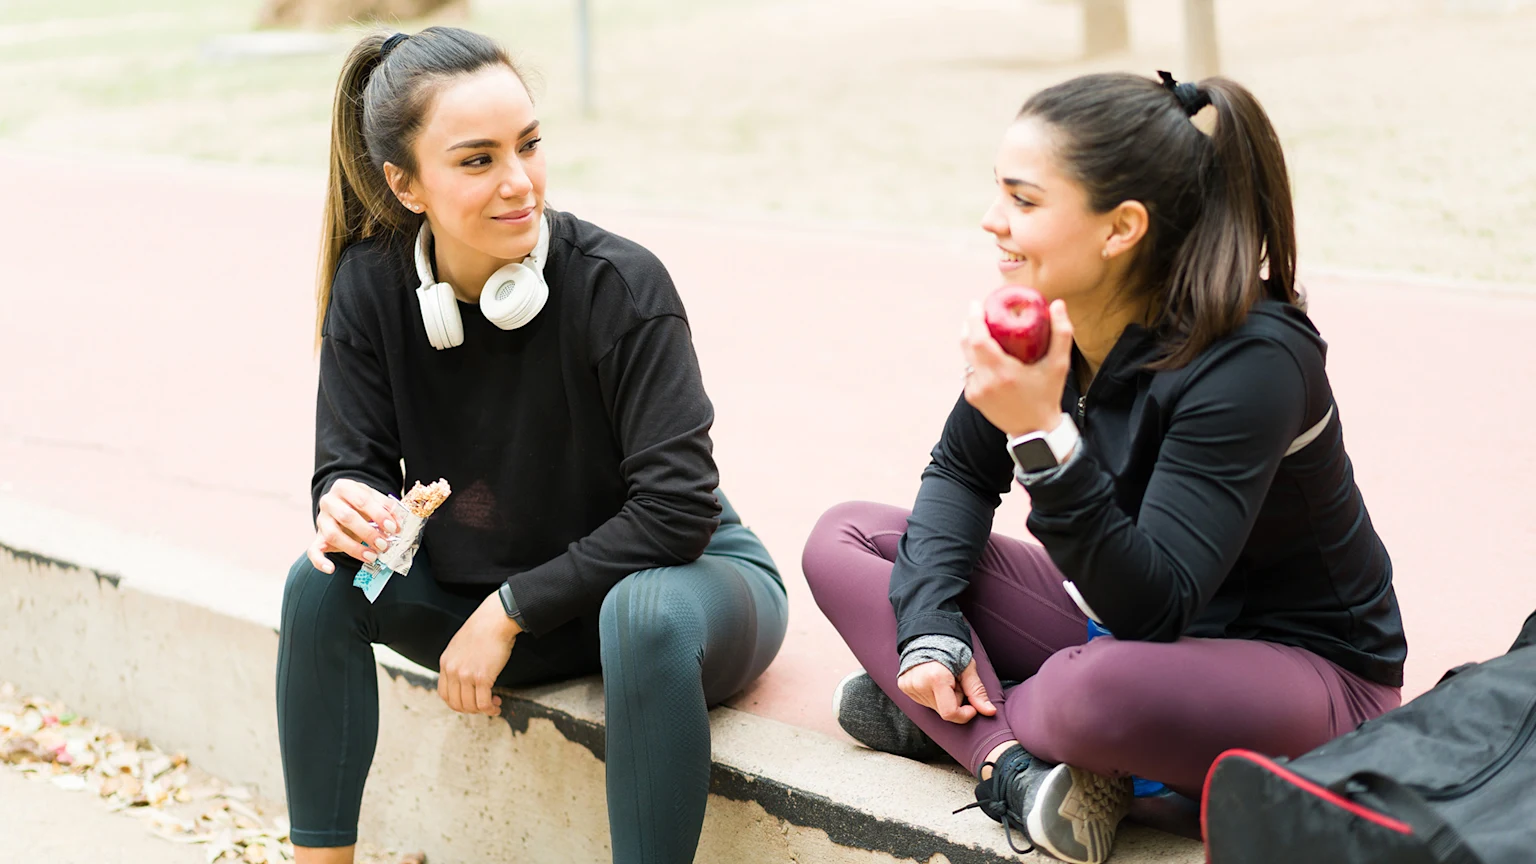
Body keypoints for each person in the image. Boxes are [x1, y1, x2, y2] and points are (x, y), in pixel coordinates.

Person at [801, 71, 1407, 864]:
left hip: (1309, 677)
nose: (992, 222)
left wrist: (1043, 438)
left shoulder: (1254, 359)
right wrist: (927, 635)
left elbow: (1159, 608)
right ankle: (1012, 765)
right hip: (1113, 626)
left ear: (1120, 229)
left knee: (1089, 690)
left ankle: (967, 724)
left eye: (1023, 200)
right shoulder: (1055, 317)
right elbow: (957, 471)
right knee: (846, 538)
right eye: (998, 193)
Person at [275, 27, 787, 864]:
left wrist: (511, 609)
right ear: (405, 185)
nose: (520, 183)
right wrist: (348, 504)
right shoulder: (371, 290)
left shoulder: (620, 286)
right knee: (317, 582)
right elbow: (352, 464)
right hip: (485, 603)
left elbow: (677, 510)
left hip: (678, 590)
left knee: (645, 612)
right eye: (477, 160)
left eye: (530, 145)